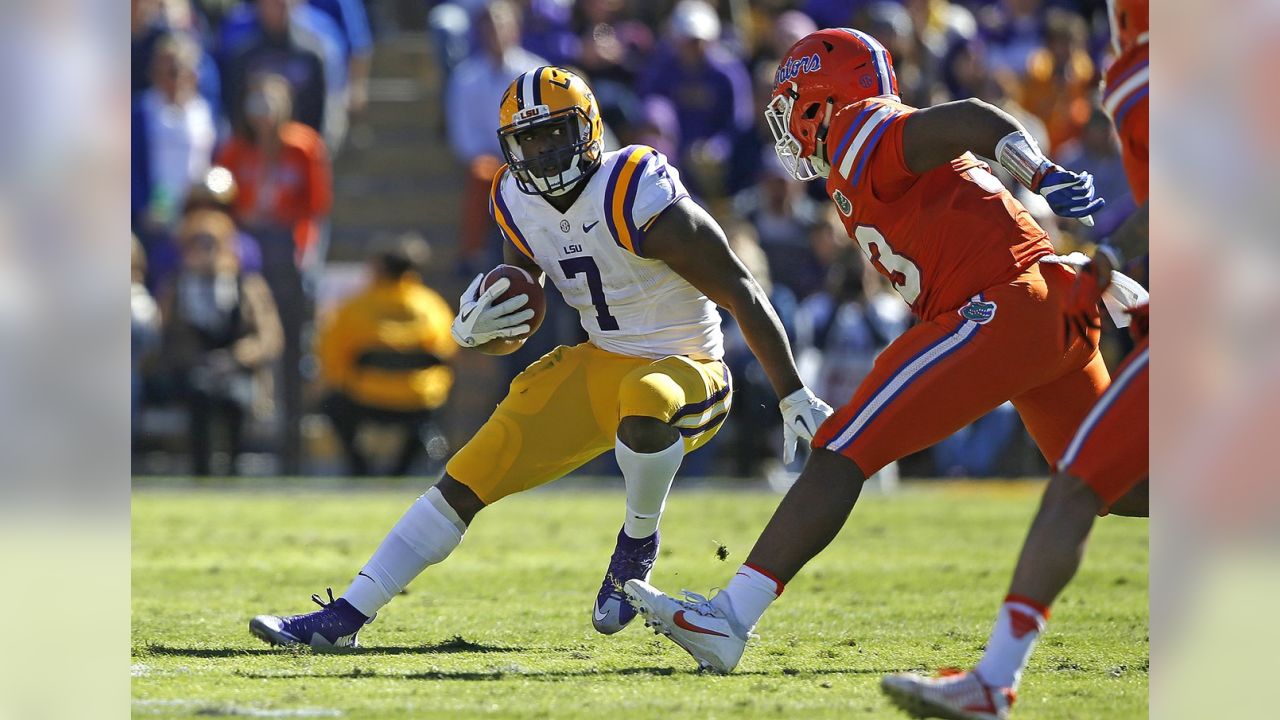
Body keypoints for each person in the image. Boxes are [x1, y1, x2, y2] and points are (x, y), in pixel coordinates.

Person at [248, 67, 832, 648]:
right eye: (529, 139)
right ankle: (346, 615)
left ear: (588, 128)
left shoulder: (634, 187)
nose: (544, 150)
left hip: (690, 368)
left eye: (555, 133)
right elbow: (518, 321)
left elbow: (740, 288)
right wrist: (479, 331)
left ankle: (636, 544)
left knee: (647, 397)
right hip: (602, 362)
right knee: (472, 470)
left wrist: (790, 391)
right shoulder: (512, 197)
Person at [622, 26, 1143, 677]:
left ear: (819, 98)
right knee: (1114, 482)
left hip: (1003, 304)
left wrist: (1038, 170)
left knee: (844, 445)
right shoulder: (855, 156)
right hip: (1046, 308)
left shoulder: (860, 129)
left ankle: (730, 617)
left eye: (789, 106)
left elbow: (968, 117)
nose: (787, 127)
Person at [880, 2, 1150, 716]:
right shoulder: (1133, 73)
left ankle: (993, 683)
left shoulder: (1163, 73)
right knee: (1103, 483)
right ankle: (993, 683)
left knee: (1082, 484)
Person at [316, 239, 458, 477]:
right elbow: (448, 352)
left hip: (365, 398)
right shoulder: (432, 307)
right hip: (418, 401)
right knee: (427, 421)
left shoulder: (355, 307)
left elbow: (331, 356)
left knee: (331, 405)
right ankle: (399, 472)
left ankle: (359, 467)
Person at [160, 210, 283, 476]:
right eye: (199, 243)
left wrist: (235, 357)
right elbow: (168, 336)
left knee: (236, 399)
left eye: (212, 242)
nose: (206, 250)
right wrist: (198, 360)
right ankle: (200, 472)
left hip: (237, 369)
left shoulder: (248, 285)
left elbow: (269, 337)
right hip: (195, 369)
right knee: (199, 394)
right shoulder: (177, 286)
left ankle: (233, 471)